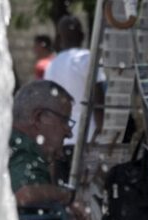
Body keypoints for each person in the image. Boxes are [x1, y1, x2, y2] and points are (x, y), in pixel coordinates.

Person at [9, 80, 111, 220]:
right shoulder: (20, 147)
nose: (68, 133)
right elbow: (24, 193)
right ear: (39, 118)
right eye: (65, 121)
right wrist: (68, 197)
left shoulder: (17, 147)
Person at [44, 15, 106, 184]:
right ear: (83, 35)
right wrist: (102, 135)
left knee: (67, 196)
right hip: (87, 138)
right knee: (90, 194)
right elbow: (99, 101)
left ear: (59, 37)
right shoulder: (87, 59)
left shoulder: (52, 65)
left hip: (61, 141)